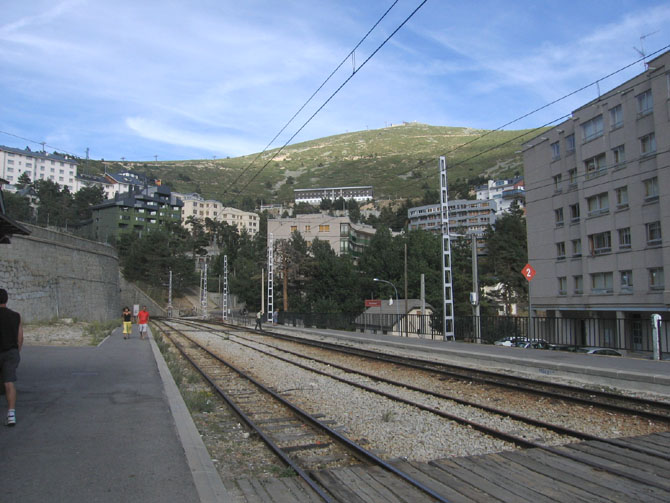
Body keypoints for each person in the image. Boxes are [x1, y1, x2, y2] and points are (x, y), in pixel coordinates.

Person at [0, 288, 23, 427]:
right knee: (9, 383)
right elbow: (20, 337)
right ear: (6, 300)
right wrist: (17, 351)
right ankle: (11, 415)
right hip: (11, 352)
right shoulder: (16, 316)